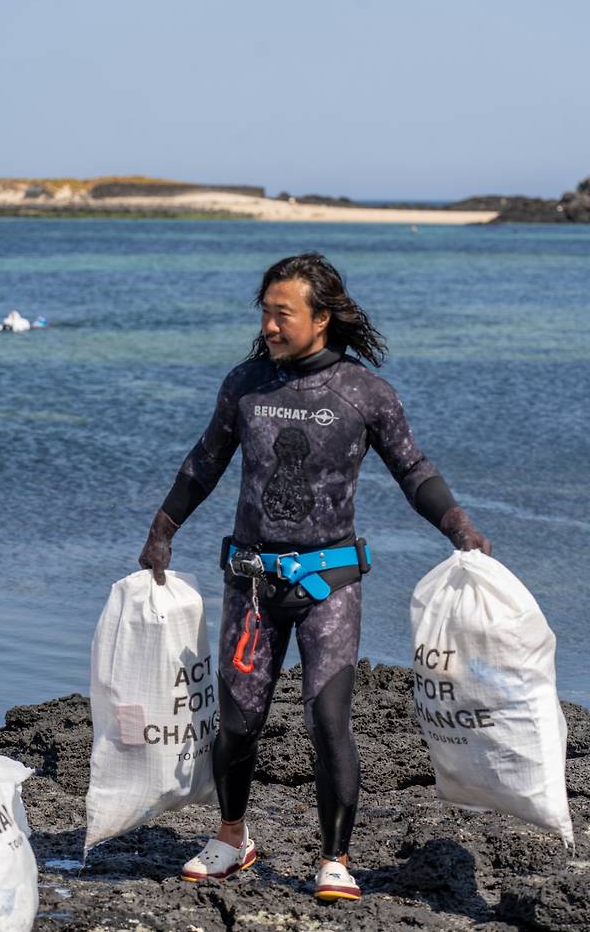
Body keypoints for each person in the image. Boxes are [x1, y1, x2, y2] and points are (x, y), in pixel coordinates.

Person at [139, 252, 490, 901]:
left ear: (321, 317)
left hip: (330, 585)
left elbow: (414, 470)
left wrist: (459, 527)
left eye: (284, 313)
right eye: (265, 313)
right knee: (237, 722)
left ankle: (335, 859)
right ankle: (232, 837)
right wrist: (163, 528)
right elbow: (204, 461)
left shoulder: (364, 392)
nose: (269, 326)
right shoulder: (246, 384)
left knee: (329, 720)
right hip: (251, 583)